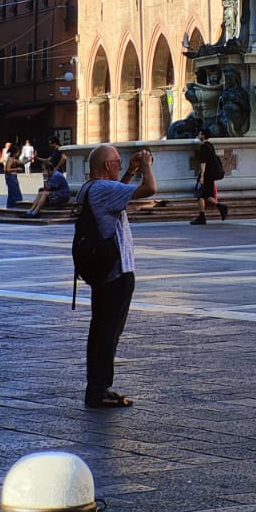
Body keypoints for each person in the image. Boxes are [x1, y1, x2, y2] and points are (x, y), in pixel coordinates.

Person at [80, 143, 156, 408]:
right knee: (109, 331)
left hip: (104, 273)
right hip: (117, 273)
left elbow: (120, 195)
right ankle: (99, 389)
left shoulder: (91, 188)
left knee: (101, 329)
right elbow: (150, 189)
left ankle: (97, 386)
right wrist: (146, 166)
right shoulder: (102, 189)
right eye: (118, 163)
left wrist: (131, 171)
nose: (120, 166)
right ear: (107, 166)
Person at [191, 128, 229, 225]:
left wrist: (202, 176)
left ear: (203, 135)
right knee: (205, 195)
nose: (198, 134)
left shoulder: (203, 147)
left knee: (200, 195)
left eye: (200, 133)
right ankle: (206, 214)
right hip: (211, 174)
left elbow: (203, 162)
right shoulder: (210, 145)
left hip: (206, 174)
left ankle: (205, 215)